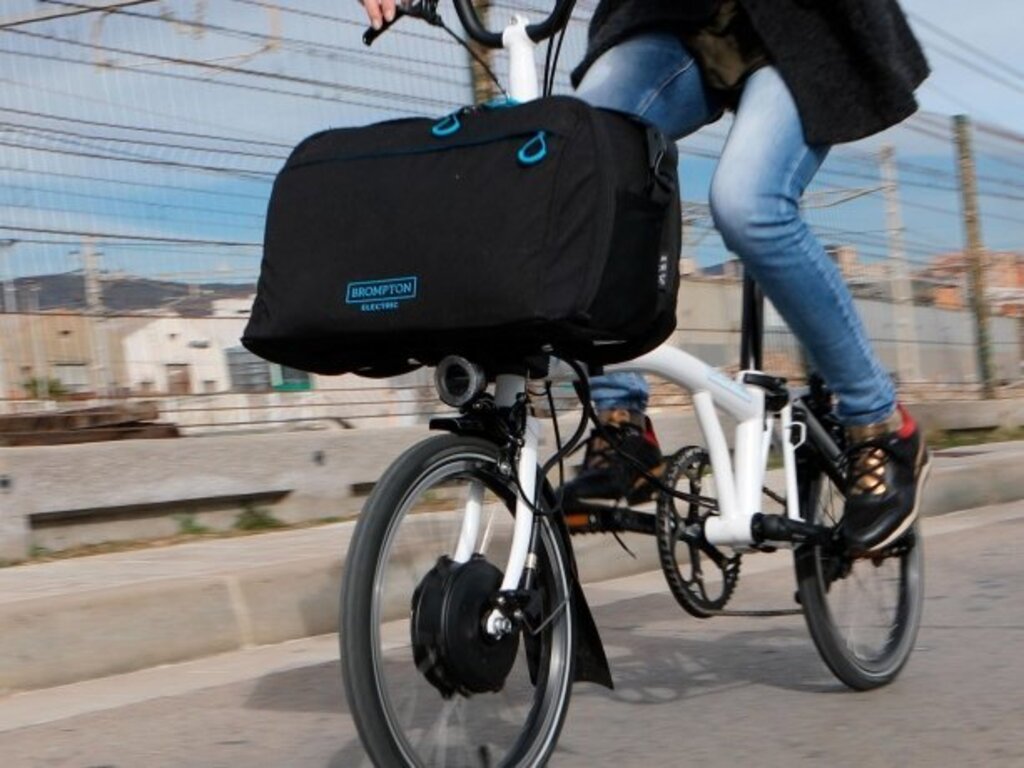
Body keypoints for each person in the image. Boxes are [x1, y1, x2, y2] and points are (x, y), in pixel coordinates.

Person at [357, 0, 931, 555]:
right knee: (574, 159)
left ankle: (879, 423)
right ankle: (620, 421)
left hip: (801, 25)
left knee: (748, 203)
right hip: (673, 18)